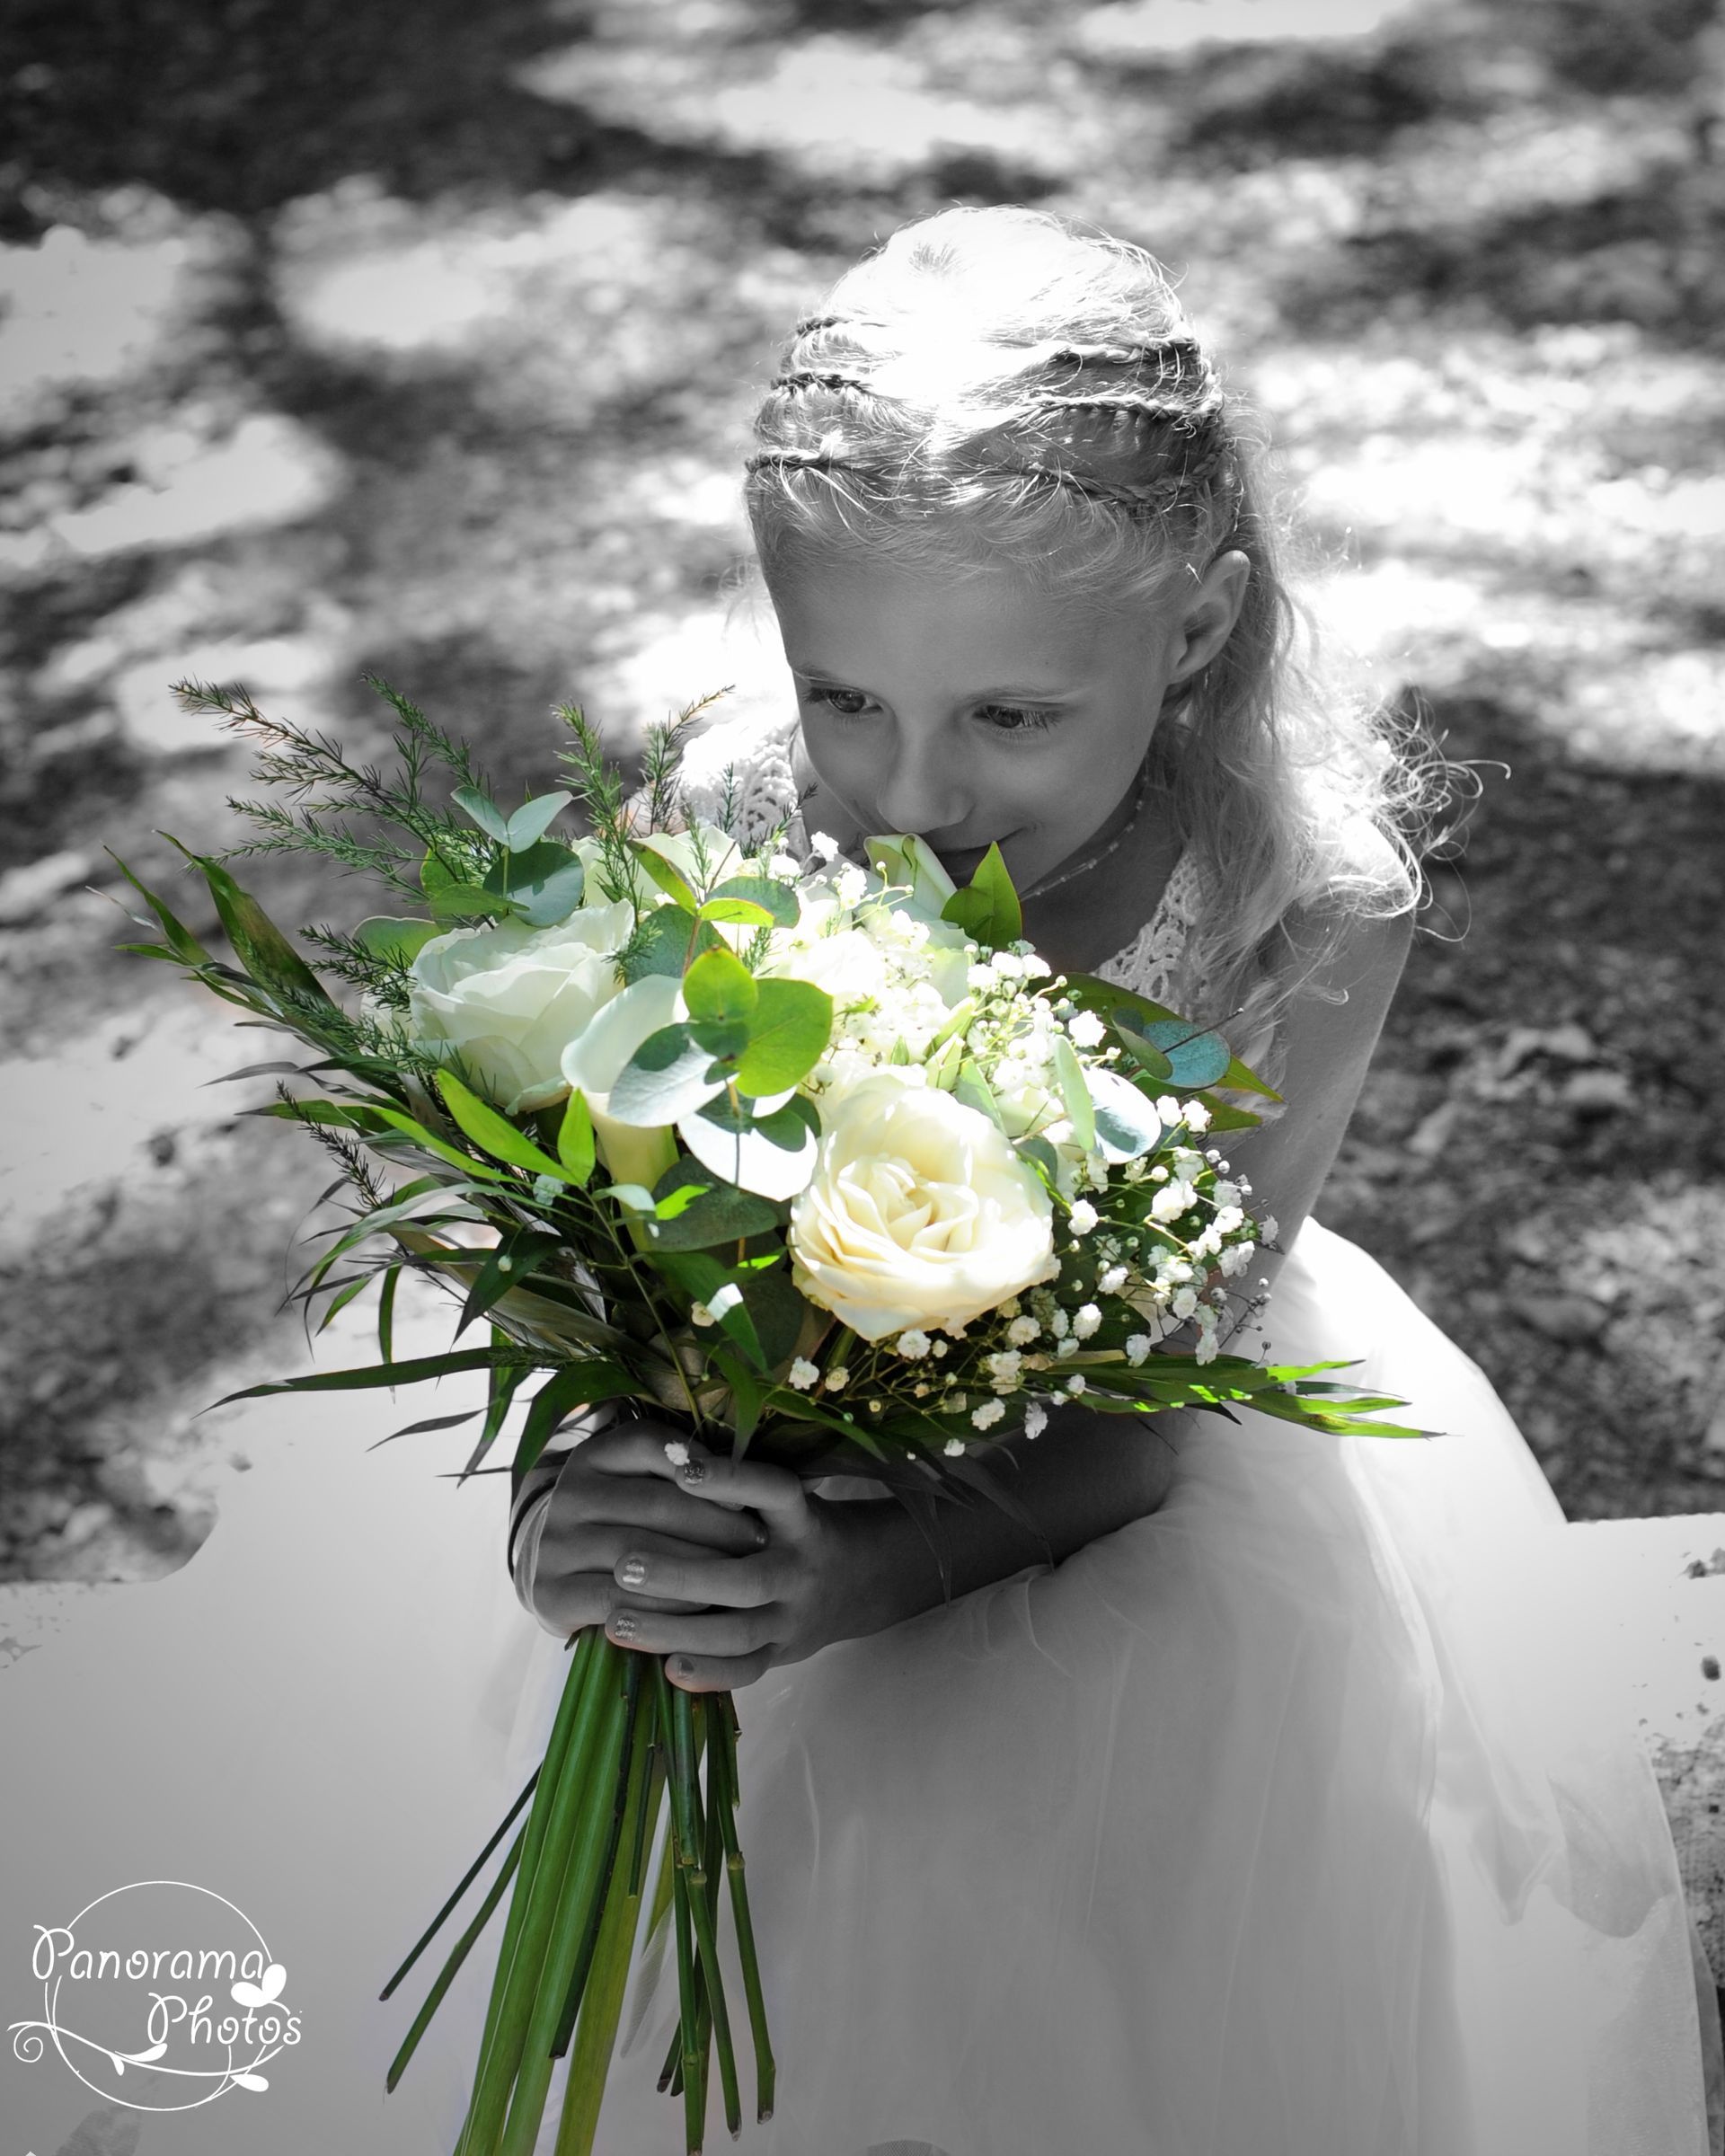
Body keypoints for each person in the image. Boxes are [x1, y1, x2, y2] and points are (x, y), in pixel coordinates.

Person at [0, 206, 1714, 2156]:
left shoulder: (1297, 903)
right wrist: (588, 1498)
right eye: (845, 697)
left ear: (1202, 620)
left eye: (1011, 712)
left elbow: (1167, 1400)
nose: (908, 797)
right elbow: (614, 1245)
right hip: (731, 1441)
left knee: (1018, 1932)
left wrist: (862, 1567)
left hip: (1105, 1492)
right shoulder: (737, 812)